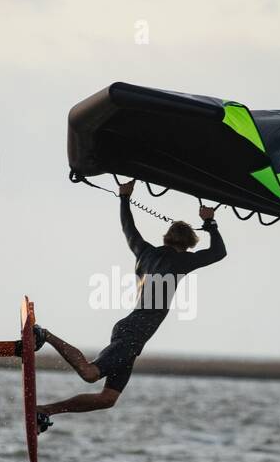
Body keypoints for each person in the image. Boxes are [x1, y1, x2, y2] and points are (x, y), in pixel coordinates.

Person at [36, 181, 226, 426]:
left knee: (108, 398)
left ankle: (44, 411)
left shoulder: (144, 253)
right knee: (90, 373)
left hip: (131, 330)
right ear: (189, 245)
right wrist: (210, 223)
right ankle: (44, 334)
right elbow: (219, 253)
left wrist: (124, 198)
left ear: (167, 238)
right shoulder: (182, 261)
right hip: (134, 331)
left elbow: (129, 228)